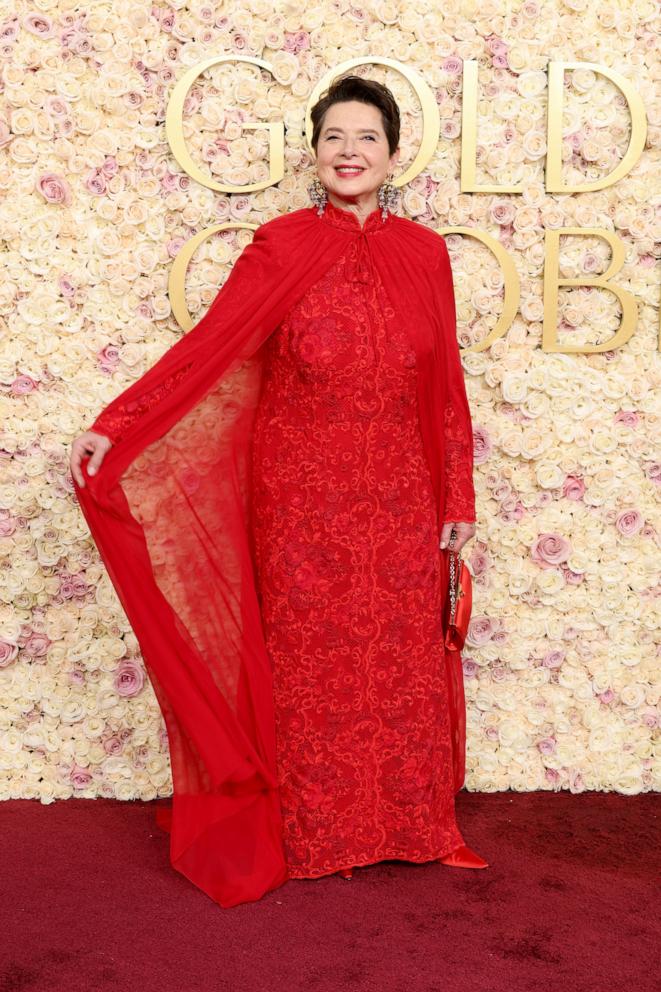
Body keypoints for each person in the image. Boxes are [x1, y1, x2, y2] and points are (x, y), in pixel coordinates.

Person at [69, 74, 488, 909]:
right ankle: (315, 833)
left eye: (366, 137)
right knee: (307, 664)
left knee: (398, 659)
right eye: (333, 136)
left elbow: (443, 382)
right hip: (298, 492)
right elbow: (210, 347)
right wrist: (119, 423)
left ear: (394, 154)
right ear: (313, 150)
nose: (349, 152)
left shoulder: (425, 254)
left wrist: (456, 500)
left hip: (400, 489)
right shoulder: (281, 244)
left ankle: (412, 828)